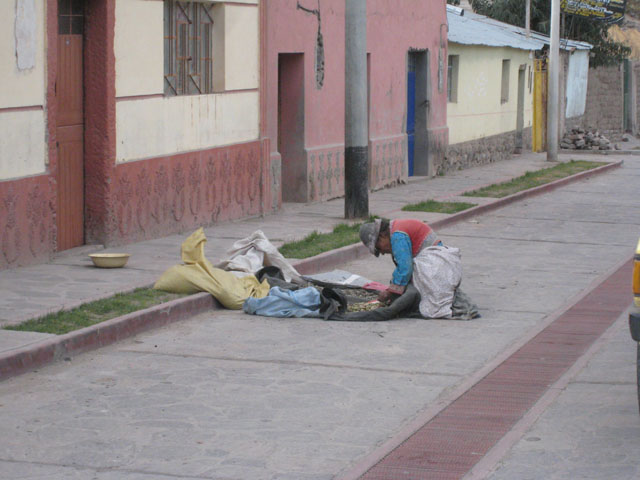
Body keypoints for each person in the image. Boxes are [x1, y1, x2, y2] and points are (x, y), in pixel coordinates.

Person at [359, 218, 462, 318]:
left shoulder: (397, 236)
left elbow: (405, 269)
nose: (382, 252)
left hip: (434, 265)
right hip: (438, 264)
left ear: (382, 236)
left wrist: (389, 292)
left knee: (414, 295)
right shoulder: (395, 229)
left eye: (378, 248)